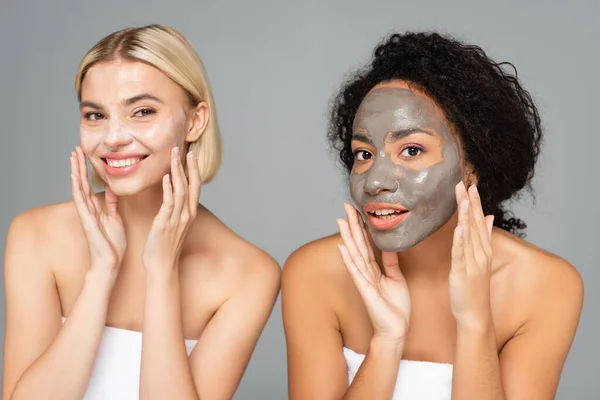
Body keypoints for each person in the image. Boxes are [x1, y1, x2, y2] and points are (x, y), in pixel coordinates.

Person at [282, 31, 583, 400]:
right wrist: (387, 342)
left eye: (411, 150)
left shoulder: (545, 286)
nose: (375, 181)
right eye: (364, 154)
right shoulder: (315, 273)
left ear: (474, 164)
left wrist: (475, 323)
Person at [3, 24, 280, 400]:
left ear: (195, 121)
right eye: (95, 116)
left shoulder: (248, 274)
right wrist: (101, 275)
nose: (113, 137)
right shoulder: (35, 235)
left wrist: (162, 273)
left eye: (142, 111)